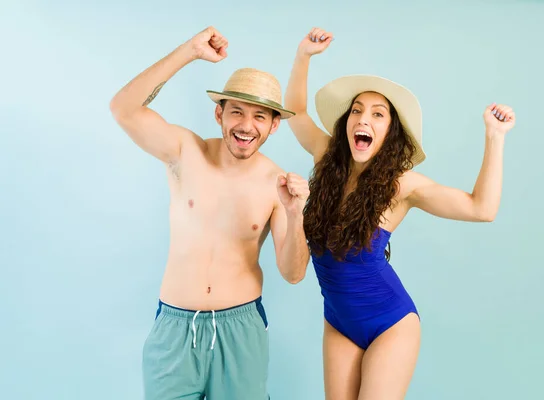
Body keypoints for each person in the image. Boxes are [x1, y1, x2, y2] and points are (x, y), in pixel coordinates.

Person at [284, 27, 516, 400]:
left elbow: (482, 208)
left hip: (390, 322)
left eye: (378, 114)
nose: (364, 119)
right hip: (338, 322)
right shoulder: (326, 157)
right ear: (346, 122)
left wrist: (495, 137)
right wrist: (303, 55)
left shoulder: (401, 186)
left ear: (390, 131)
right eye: (357, 110)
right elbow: (294, 110)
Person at [109, 26, 310, 400]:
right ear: (219, 114)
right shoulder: (185, 152)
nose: (246, 126)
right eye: (236, 111)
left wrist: (296, 213)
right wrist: (189, 51)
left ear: (273, 125)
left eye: (259, 117)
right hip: (175, 328)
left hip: (241, 329)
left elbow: (294, 273)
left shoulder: (277, 183)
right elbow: (123, 109)